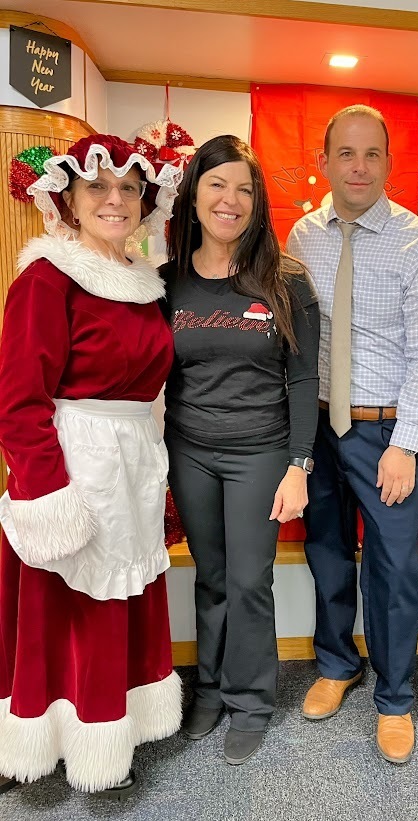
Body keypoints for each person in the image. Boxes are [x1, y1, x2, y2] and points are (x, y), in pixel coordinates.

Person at [0, 135, 183, 797]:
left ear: (144, 202)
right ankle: (44, 741)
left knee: (118, 598)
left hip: (133, 463)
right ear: (69, 201)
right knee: (67, 607)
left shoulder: (144, 281)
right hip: (73, 465)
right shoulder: (46, 278)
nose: (115, 200)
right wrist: (46, 493)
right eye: (98, 187)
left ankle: (112, 729)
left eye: (128, 188)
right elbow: (18, 400)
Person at [287, 105, 418, 764]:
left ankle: (393, 696)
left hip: (385, 430)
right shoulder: (302, 235)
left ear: (389, 162)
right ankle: (336, 662)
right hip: (317, 427)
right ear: (323, 162)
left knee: (390, 569)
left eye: (372, 154)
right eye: (345, 154)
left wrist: (404, 443)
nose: (358, 167)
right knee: (327, 551)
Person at [161, 135, 319, 765]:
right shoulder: (166, 282)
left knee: (250, 581)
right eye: (217, 184)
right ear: (194, 194)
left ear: (257, 204)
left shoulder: (286, 281)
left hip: (261, 451)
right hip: (190, 449)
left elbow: (304, 378)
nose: (231, 200)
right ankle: (211, 692)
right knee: (213, 576)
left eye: (245, 189)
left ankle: (252, 699)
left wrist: (298, 465)